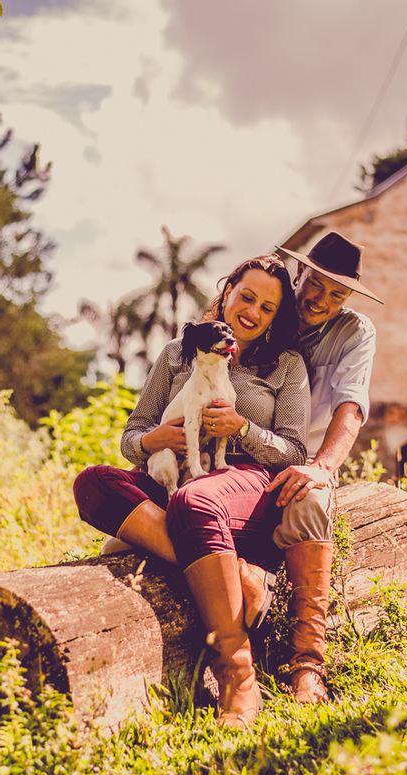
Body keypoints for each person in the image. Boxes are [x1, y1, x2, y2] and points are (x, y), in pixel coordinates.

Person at [73, 254, 309, 728]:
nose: (252, 312)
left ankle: (237, 675)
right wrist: (151, 441)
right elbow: (133, 433)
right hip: (173, 469)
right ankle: (240, 576)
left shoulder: (286, 366)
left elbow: (296, 450)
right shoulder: (177, 352)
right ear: (226, 294)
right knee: (93, 483)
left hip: (241, 480)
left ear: (274, 319)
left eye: (267, 308)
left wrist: (244, 430)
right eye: (246, 297)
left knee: (194, 499)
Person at [269, 231, 381, 704]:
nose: (322, 299)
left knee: (310, 499)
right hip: (237, 445)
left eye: (338, 293)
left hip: (303, 456)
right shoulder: (268, 302)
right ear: (301, 272)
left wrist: (322, 467)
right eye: (316, 284)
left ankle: (308, 665)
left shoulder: (357, 332)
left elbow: (351, 406)